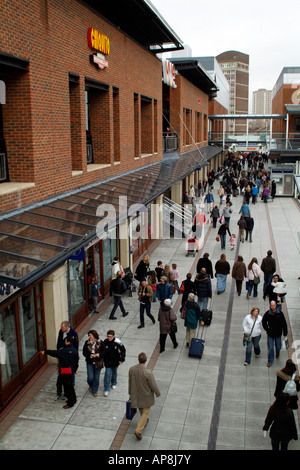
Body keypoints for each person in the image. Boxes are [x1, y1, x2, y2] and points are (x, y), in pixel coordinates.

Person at [129, 352, 161, 441]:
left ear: (138, 359)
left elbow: (130, 382)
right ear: (146, 360)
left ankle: (144, 422)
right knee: (146, 411)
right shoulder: (148, 372)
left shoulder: (132, 369)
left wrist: (130, 393)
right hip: (145, 396)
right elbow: (153, 385)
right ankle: (138, 430)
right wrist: (157, 393)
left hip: (135, 395)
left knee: (141, 409)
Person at [42, 336, 79, 409]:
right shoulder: (75, 350)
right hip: (72, 371)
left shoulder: (63, 351)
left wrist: (46, 352)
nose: (64, 342)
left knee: (67, 387)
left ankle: (70, 402)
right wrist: (75, 369)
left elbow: (54, 353)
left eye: (65, 341)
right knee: (71, 385)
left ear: (68, 342)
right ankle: (73, 399)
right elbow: (76, 361)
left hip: (65, 371)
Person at [55, 321, 78, 401]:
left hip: (69, 357)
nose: (61, 329)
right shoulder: (61, 332)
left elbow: (76, 347)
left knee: (69, 377)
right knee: (60, 376)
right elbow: (59, 342)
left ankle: (68, 392)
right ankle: (60, 393)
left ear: (67, 327)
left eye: (62, 327)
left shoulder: (73, 334)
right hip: (62, 355)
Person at [262, 300, 288, 367]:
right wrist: (267, 329)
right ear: (270, 305)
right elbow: (264, 321)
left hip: (278, 333)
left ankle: (277, 352)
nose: (273, 307)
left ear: (276, 305)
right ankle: (270, 361)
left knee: (278, 346)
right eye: (271, 305)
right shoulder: (268, 313)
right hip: (270, 334)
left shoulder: (280, 313)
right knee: (270, 348)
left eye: (274, 305)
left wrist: (285, 332)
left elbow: (284, 323)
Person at [82, 330, 105, 397]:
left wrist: (98, 355)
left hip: (98, 362)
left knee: (96, 377)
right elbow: (84, 352)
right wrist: (90, 355)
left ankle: (94, 390)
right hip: (90, 362)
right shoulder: (87, 343)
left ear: (94, 336)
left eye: (90, 335)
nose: (89, 337)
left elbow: (104, 352)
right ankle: (90, 384)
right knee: (90, 377)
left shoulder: (101, 343)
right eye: (88, 335)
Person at [103, 330, 126, 396]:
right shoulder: (105, 342)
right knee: (107, 375)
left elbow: (123, 350)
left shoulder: (118, 342)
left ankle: (114, 382)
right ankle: (106, 388)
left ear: (113, 336)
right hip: (107, 362)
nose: (109, 338)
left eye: (110, 337)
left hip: (116, 361)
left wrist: (122, 359)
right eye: (108, 336)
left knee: (114, 373)